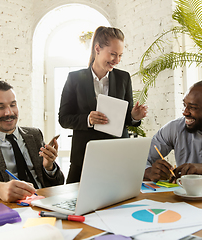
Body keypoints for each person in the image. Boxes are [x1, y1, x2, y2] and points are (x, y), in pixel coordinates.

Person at [59, 26, 147, 183]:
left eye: (120, 55)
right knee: (76, 201)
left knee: (118, 203)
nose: (117, 60)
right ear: (97, 49)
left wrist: (134, 116)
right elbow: (64, 118)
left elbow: (126, 119)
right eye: (113, 54)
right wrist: (88, 119)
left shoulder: (123, 78)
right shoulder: (75, 79)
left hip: (117, 155)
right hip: (84, 155)